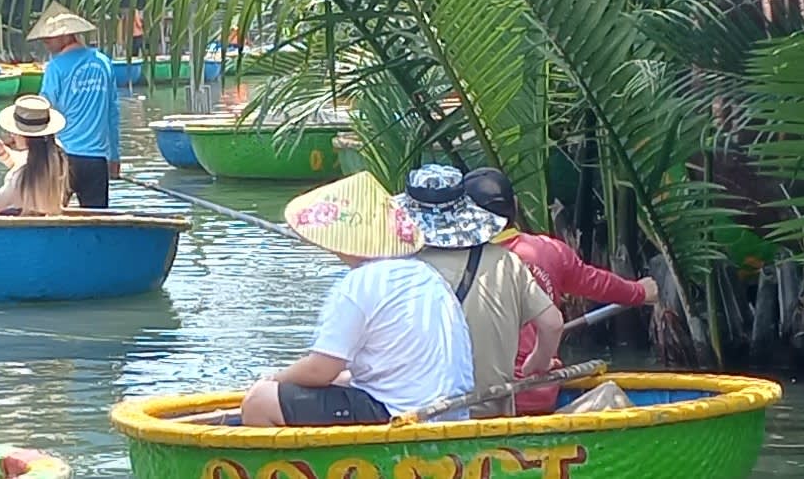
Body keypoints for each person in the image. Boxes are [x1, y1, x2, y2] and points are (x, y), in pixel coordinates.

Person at [241, 173, 470, 426]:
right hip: (447, 409)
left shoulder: (361, 282)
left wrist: (273, 379)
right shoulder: (426, 273)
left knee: (259, 401)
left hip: (401, 413)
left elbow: (320, 370)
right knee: (344, 379)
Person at [443, 166, 655, 413]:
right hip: (542, 392)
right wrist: (640, 292)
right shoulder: (549, 250)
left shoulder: (457, 263)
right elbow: (597, 283)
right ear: (516, 204)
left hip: (489, 399)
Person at [400, 166, 565, 418]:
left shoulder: (399, 268)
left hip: (422, 415)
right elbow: (553, 324)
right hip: (493, 412)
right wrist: (537, 363)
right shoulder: (506, 262)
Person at [30, 4, 122, 210]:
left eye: (50, 36)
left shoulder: (55, 68)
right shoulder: (103, 63)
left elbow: (43, 110)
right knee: (96, 221)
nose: (45, 41)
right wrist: (115, 156)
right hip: (96, 160)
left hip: (62, 157)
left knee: (48, 215)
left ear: (67, 35)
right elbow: (112, 114)